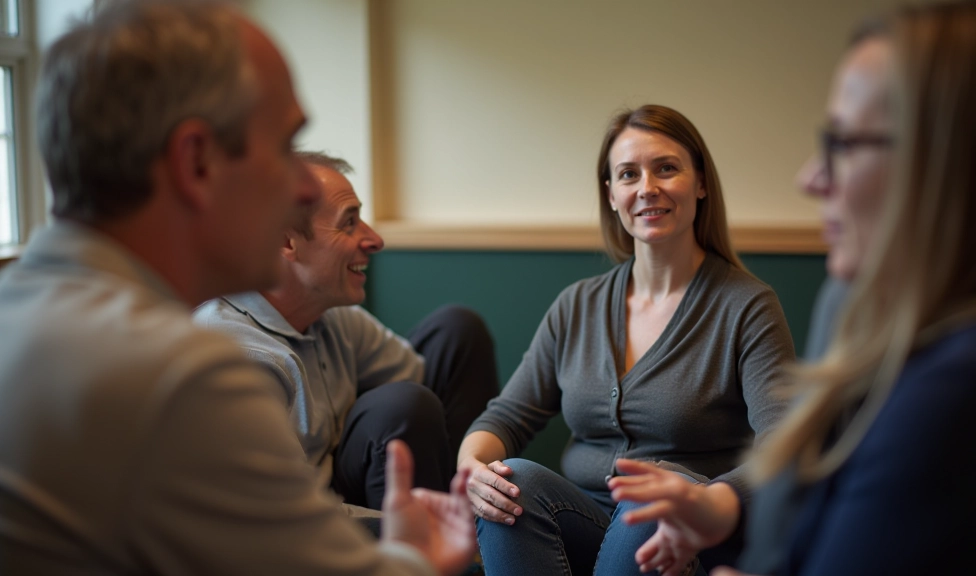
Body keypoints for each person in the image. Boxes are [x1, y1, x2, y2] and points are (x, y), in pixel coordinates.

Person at [0, 1, 476, 575]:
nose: (304, 188)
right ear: (196, 162)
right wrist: (416, 557)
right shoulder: (180, 378)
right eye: (284, 146)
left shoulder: (24, 312)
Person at [609, 1, 976, 575]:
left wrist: (719, 502)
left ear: (948, 162)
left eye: (844, 144)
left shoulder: (965, 393)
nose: (810, 177)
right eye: (627, 174)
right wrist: (724, 518)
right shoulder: (864, 314)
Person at [458, 104, 796, 576]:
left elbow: (785, 445)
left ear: (700, 183)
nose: (647, 188)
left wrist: (707, 499)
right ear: (612, 195)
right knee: (513, 479)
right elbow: (507, 416)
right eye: (628, 174)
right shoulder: (577, 305)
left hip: (683, 537)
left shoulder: (747, 305)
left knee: (654, 497)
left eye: (666, 169)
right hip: (584, 525)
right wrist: (473, 467)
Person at [194, 151, 499, 514]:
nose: (374, 240)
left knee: (456, 332)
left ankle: (474, 515)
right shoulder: (237, 356)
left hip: (338, 489)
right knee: (401, 406)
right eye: (349, 222)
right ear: (286, 242)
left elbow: (422, 387)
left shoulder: (334, 316)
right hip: (291, 525)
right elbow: (278, 518)